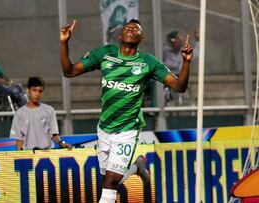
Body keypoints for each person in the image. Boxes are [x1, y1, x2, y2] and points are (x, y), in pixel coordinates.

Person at [60, 19, 193, 202]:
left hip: (127, 129)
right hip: (104, 127)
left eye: (135, 29)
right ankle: (136, 167)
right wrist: (64, 43)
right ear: (120, 35)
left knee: (111, 182)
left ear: (141, 37)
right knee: (108, 179)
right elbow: (69, 71)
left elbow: (179, 86)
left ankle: (134, 169)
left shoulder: (148, 62)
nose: (130, 30)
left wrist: (186, 62)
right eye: (127, 28)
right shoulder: (105, 54)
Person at [10, 77, 72, 150]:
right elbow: (19, 139)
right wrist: (20, 156)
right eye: (34, 90)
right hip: (29, 154)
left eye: (40, 91)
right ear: (28, 90)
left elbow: (54, 134)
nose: (37, 94)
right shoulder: (19, 113)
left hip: (47, 153)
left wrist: (62, 143)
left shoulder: (49, 110)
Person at [163, 31, 186, 105]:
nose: (181, 41)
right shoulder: (165, 51)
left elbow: (180, 67)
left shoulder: (183, 52)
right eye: (178, 39)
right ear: (172, 41)